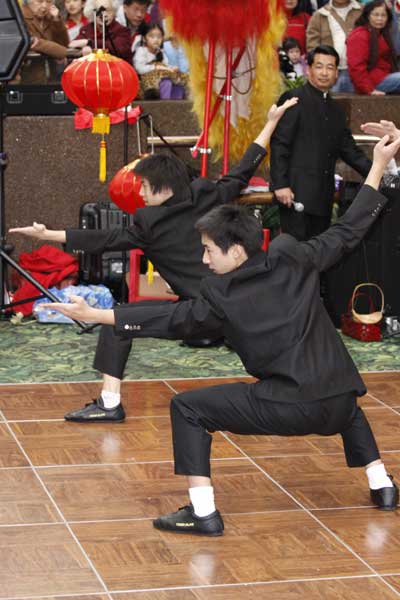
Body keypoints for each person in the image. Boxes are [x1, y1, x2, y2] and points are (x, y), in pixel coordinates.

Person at [40, 134, 400, 535]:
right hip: (339, 401)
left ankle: (203, 512)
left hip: (286, 406)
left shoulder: (221, 296)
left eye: (209, 250)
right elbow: (349, 229)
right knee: (343, 402)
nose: (204, 258)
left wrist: (96, 314)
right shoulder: (294, 257)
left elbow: (169, 318)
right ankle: (382, 485)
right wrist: (378, 163)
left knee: (188, 408)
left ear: (237, 251)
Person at [9, 98, 297, 424]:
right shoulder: (206, 194)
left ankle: (109, 403)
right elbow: (244, 168)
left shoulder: (150, 223)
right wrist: (270, 122)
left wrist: (48, 234)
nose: (142, 194)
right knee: (120, 320)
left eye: (145, 186)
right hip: (237, 304)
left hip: (200, 312)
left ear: (164, 187)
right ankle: (288, 390)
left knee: (116, 321)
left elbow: (105, 240)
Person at [270, 44, 371, 241]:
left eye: (330, 67)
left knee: (319, 255)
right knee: (295, 253)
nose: (324, 73)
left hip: (323, 199)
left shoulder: (336, 110)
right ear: (308, 69)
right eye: (319, 66)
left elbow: (350, 151)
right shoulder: (293, 99)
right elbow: (280, 144)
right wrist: (280, 184)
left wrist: (379, 173)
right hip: (294, 195)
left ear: (336, 73)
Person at [306, 0, 362, 92]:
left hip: (357, 72)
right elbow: (312, 46)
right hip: (329, 73)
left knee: (360, 101)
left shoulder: (362, 11)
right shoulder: (319, 15)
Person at [346, 0, 400, 95]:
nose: (380, 18)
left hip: (385, 76)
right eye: (376, 15)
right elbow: (356, 67)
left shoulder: (383, 34)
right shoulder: (360, 35)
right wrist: (369, 90)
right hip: (371, 82)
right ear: (368, 16)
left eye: (383, 15)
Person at [134, 23, 187, 99]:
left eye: (159, 37)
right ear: (144, 38)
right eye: (152, 36)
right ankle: (164, 104)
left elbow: (165, 65)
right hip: (147, 83)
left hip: (162, 78)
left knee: (178, 86)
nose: (156, 40)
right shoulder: (141, 51)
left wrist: (172, 68)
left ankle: (176, 105)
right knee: (166, 83)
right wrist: (156, 67)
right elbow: (139, 69)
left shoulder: (161, 52)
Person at [21, 0, 69, 84]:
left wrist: (56, 20)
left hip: (51, 77)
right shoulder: (20, 16)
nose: (44, 6)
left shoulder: (50, 17)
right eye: (40, 1)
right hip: (27, 78)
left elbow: (64, 43)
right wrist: (61, 52)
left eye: (48, 1)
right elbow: (32, 41)